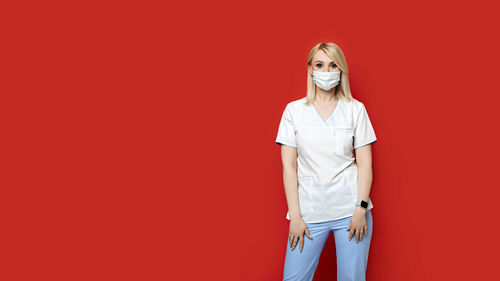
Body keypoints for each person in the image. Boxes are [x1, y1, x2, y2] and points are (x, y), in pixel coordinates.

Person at [275, 42, 378, 281]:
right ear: (310, 69)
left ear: (341, 70)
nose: (326, 71)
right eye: (320, 65)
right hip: (309, 213)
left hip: (350, 211)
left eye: (333, 65)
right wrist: (296, 217)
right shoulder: (294, 111)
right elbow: (289, 167)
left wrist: (361, 209)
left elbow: (365, 163)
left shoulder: (355, 110)